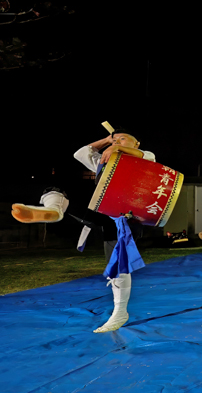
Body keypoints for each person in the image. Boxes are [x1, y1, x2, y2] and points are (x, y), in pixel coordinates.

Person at [12, 129, 155, 333]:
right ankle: (54, 210)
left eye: (123, 139)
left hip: (127, 217)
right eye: (114, 139)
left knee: (117, 264)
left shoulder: (146, 156)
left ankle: (120, 312)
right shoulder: (103, 160)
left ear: (137, 143)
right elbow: (80, 153)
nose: (117, 142)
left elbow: (144, 156)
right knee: (58, 186)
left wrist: (116, 145)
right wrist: (107, 140)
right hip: (103, 213)